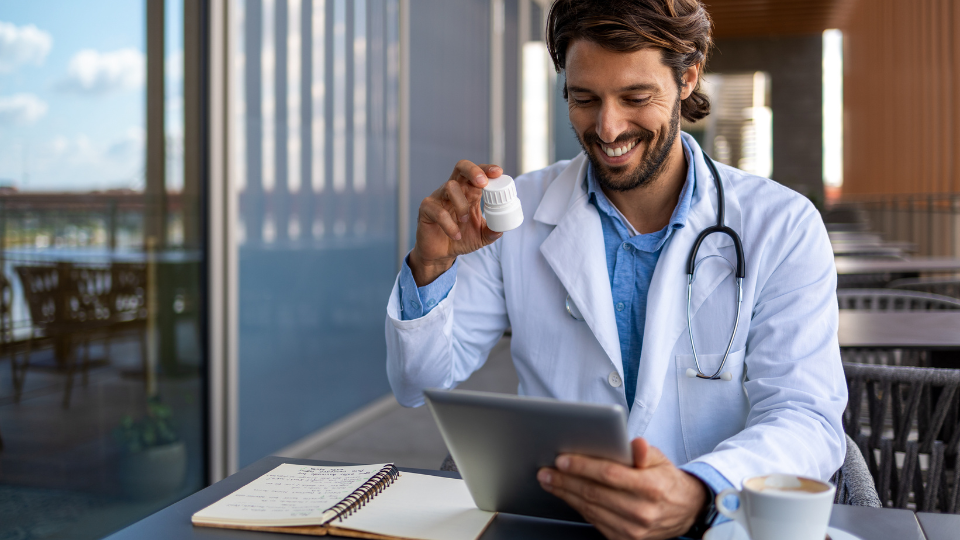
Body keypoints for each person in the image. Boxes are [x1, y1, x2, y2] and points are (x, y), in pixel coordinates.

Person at [384, 0, 847, 538]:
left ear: (687, 76)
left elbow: (806, 416)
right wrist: (432, 266)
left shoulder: (782, 225)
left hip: (714, 524)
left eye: (635, 98)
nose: (607, 128)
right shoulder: (513, 215)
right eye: (584, 99)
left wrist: (699, 490)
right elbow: (420, 382)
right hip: (558, 524)